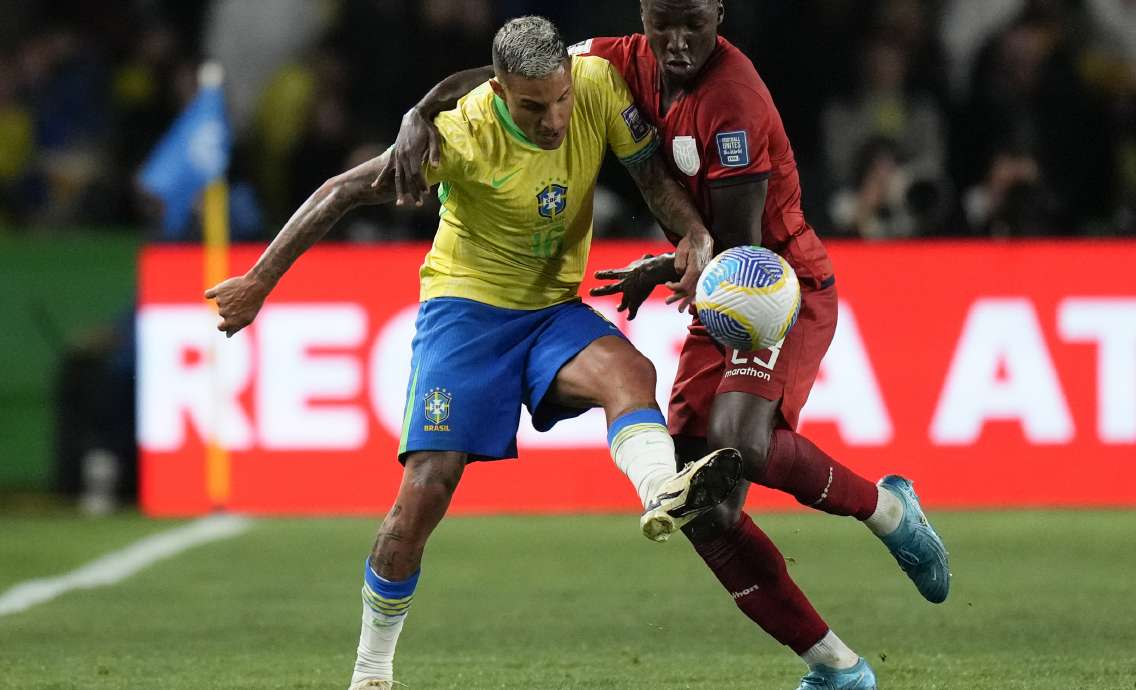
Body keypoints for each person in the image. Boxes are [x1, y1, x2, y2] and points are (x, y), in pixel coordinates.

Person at [383, 3, 951, 689]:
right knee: (700, 502)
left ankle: (888, 509)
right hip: (716, 289)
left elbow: (736, 246)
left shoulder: (732, 101)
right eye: (662, 23)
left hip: (772, 282)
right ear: (643, 14)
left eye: (693, 24)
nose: (677, 42)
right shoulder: (614, 57)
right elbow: (505, 72)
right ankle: (836, 667)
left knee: (742, 438)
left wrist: (670, 260)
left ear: (719, 12)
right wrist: (421, 110)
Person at [203, 17, 744, 690]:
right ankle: (371, 671)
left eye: (560, 100)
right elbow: (341, 191)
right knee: (428, 489)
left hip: (550, 309)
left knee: (631, 372)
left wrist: (691, 231)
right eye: (532, 107)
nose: (553, 120)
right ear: (499, 91)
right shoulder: (461, 134)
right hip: (467, 314)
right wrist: (258, 281)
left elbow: (649, 174)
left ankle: (662, 491)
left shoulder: (598, 85)